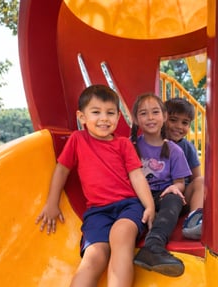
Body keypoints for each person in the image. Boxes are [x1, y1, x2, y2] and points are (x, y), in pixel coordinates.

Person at [35, 85, 155, 287]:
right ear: (82, 117)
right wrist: (52, 202)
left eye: (110, 113)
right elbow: (61, 170)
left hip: (129, 205)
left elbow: (136, 176)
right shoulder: (77, 140)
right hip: (97, 212)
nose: (104, 118)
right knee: (94, 255)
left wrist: (149, 205)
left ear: (118, 117)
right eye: (96, 112)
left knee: (121, 234)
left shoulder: (123, 144)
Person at [130, 93, 192, 277]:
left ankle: (154, 245)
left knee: (174, 199)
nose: (150, 118)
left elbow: (180, 182)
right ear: (136, 119)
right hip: (139, 196)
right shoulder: (131, 146)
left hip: (163, 195)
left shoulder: (175, 150)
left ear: (164, 117)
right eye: (144, 113)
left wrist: (175, 188)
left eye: (155, 112)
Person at [165, 98, 204, 240]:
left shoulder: (187, 147)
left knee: (201, 181)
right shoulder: (153, 143)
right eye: (173, 120)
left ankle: (194, 221)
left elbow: (196, 177)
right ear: (163, 118)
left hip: (182, 198)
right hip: (158, 197)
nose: (179, 126)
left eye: (185, 123)